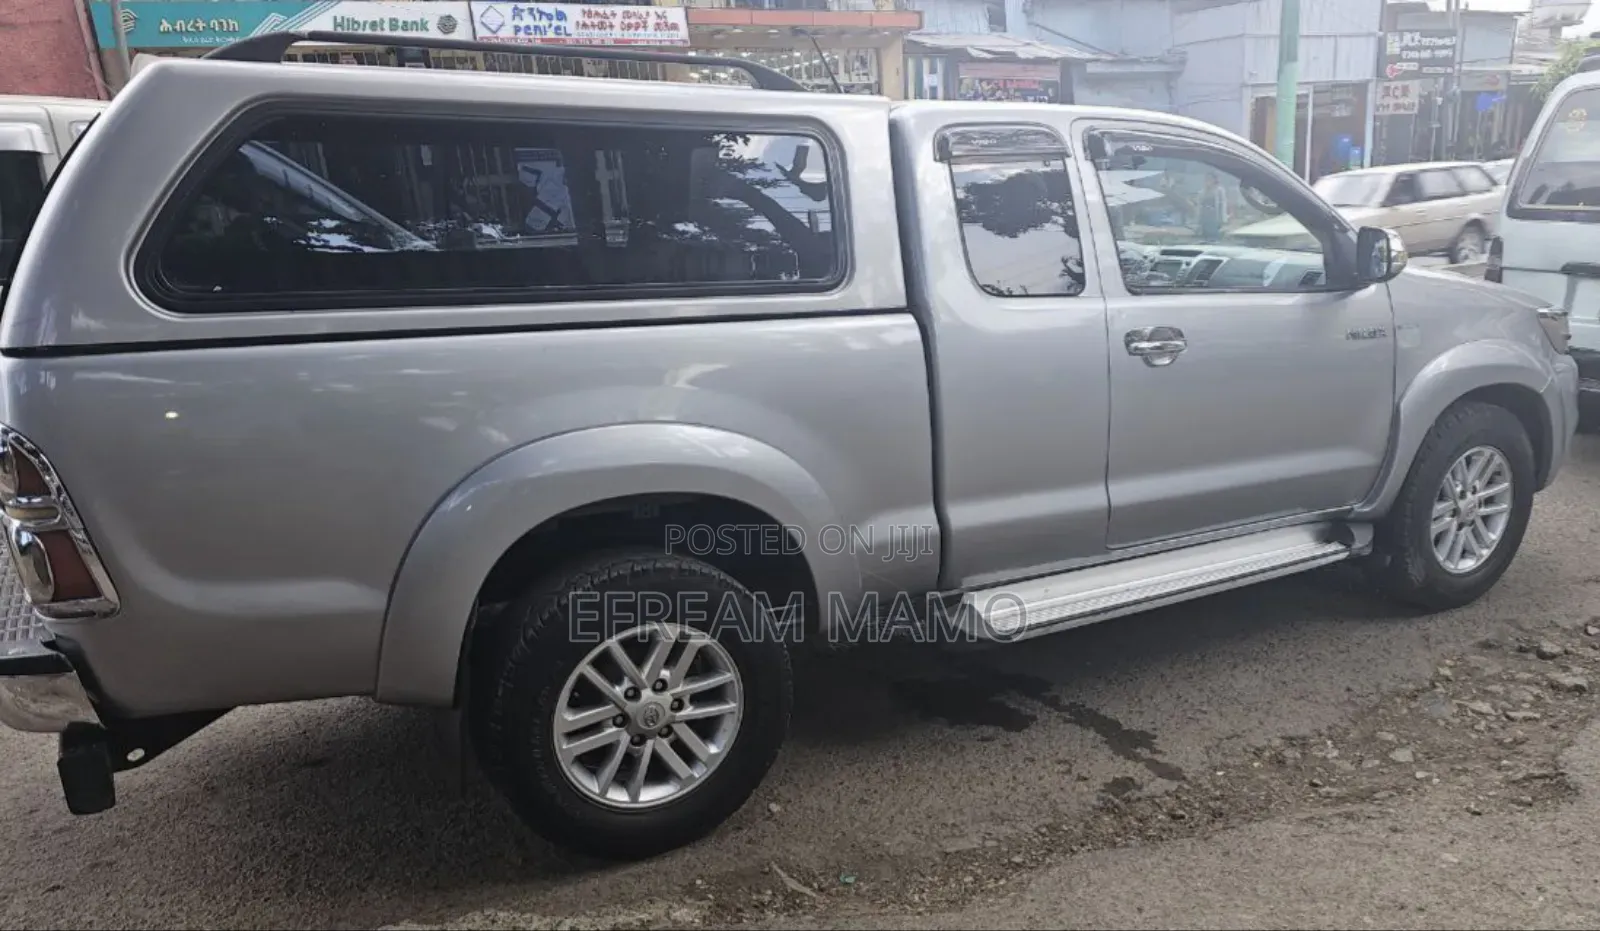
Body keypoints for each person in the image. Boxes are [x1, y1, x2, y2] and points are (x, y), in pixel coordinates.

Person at [1197, 171, 1228, 240]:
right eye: (1207, 179)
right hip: (1205, 218)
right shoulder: (1202, 192)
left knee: (1214, 237)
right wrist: (1198, 221)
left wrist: (1222, 220)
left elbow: (1222, 206)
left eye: (1210, 178)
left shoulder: (1219, 191)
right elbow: (1200, 206)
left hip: (1215, 219)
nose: (1208, 180)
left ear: (1215, 179)